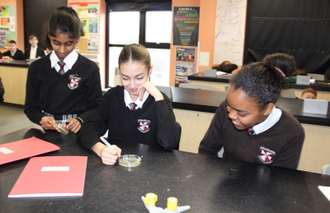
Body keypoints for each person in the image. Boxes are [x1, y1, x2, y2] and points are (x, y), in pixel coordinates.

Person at [79, 44, 182, 165]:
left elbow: (169, 142)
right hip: (119, 166)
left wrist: (158, 97)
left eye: (139, 78)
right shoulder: (112, 97)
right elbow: (89, 128)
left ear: (150, 71)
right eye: (125, 78)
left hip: (151, 170)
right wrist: (100, 149)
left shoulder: (160, 101)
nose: (132, 86)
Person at [199, 53, 305, 170]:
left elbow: (282, 180)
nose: (231, 115)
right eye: (229, 105)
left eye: (242, 113)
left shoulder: (292, 132)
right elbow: (206, 150)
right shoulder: (225, 110)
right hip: (226, 180)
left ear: (267, 109)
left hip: (264, 187)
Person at [24, 6, 102, 133]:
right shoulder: (37, 68)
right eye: (56, 43)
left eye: (68, 44)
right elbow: (31, 107)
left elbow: (97, 106)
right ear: (49, 36)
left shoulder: (90, 68)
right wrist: (40, 118)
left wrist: (81, 120)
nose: (62, 50)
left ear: (77, 38)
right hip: (49, 133)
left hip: (80, 132)